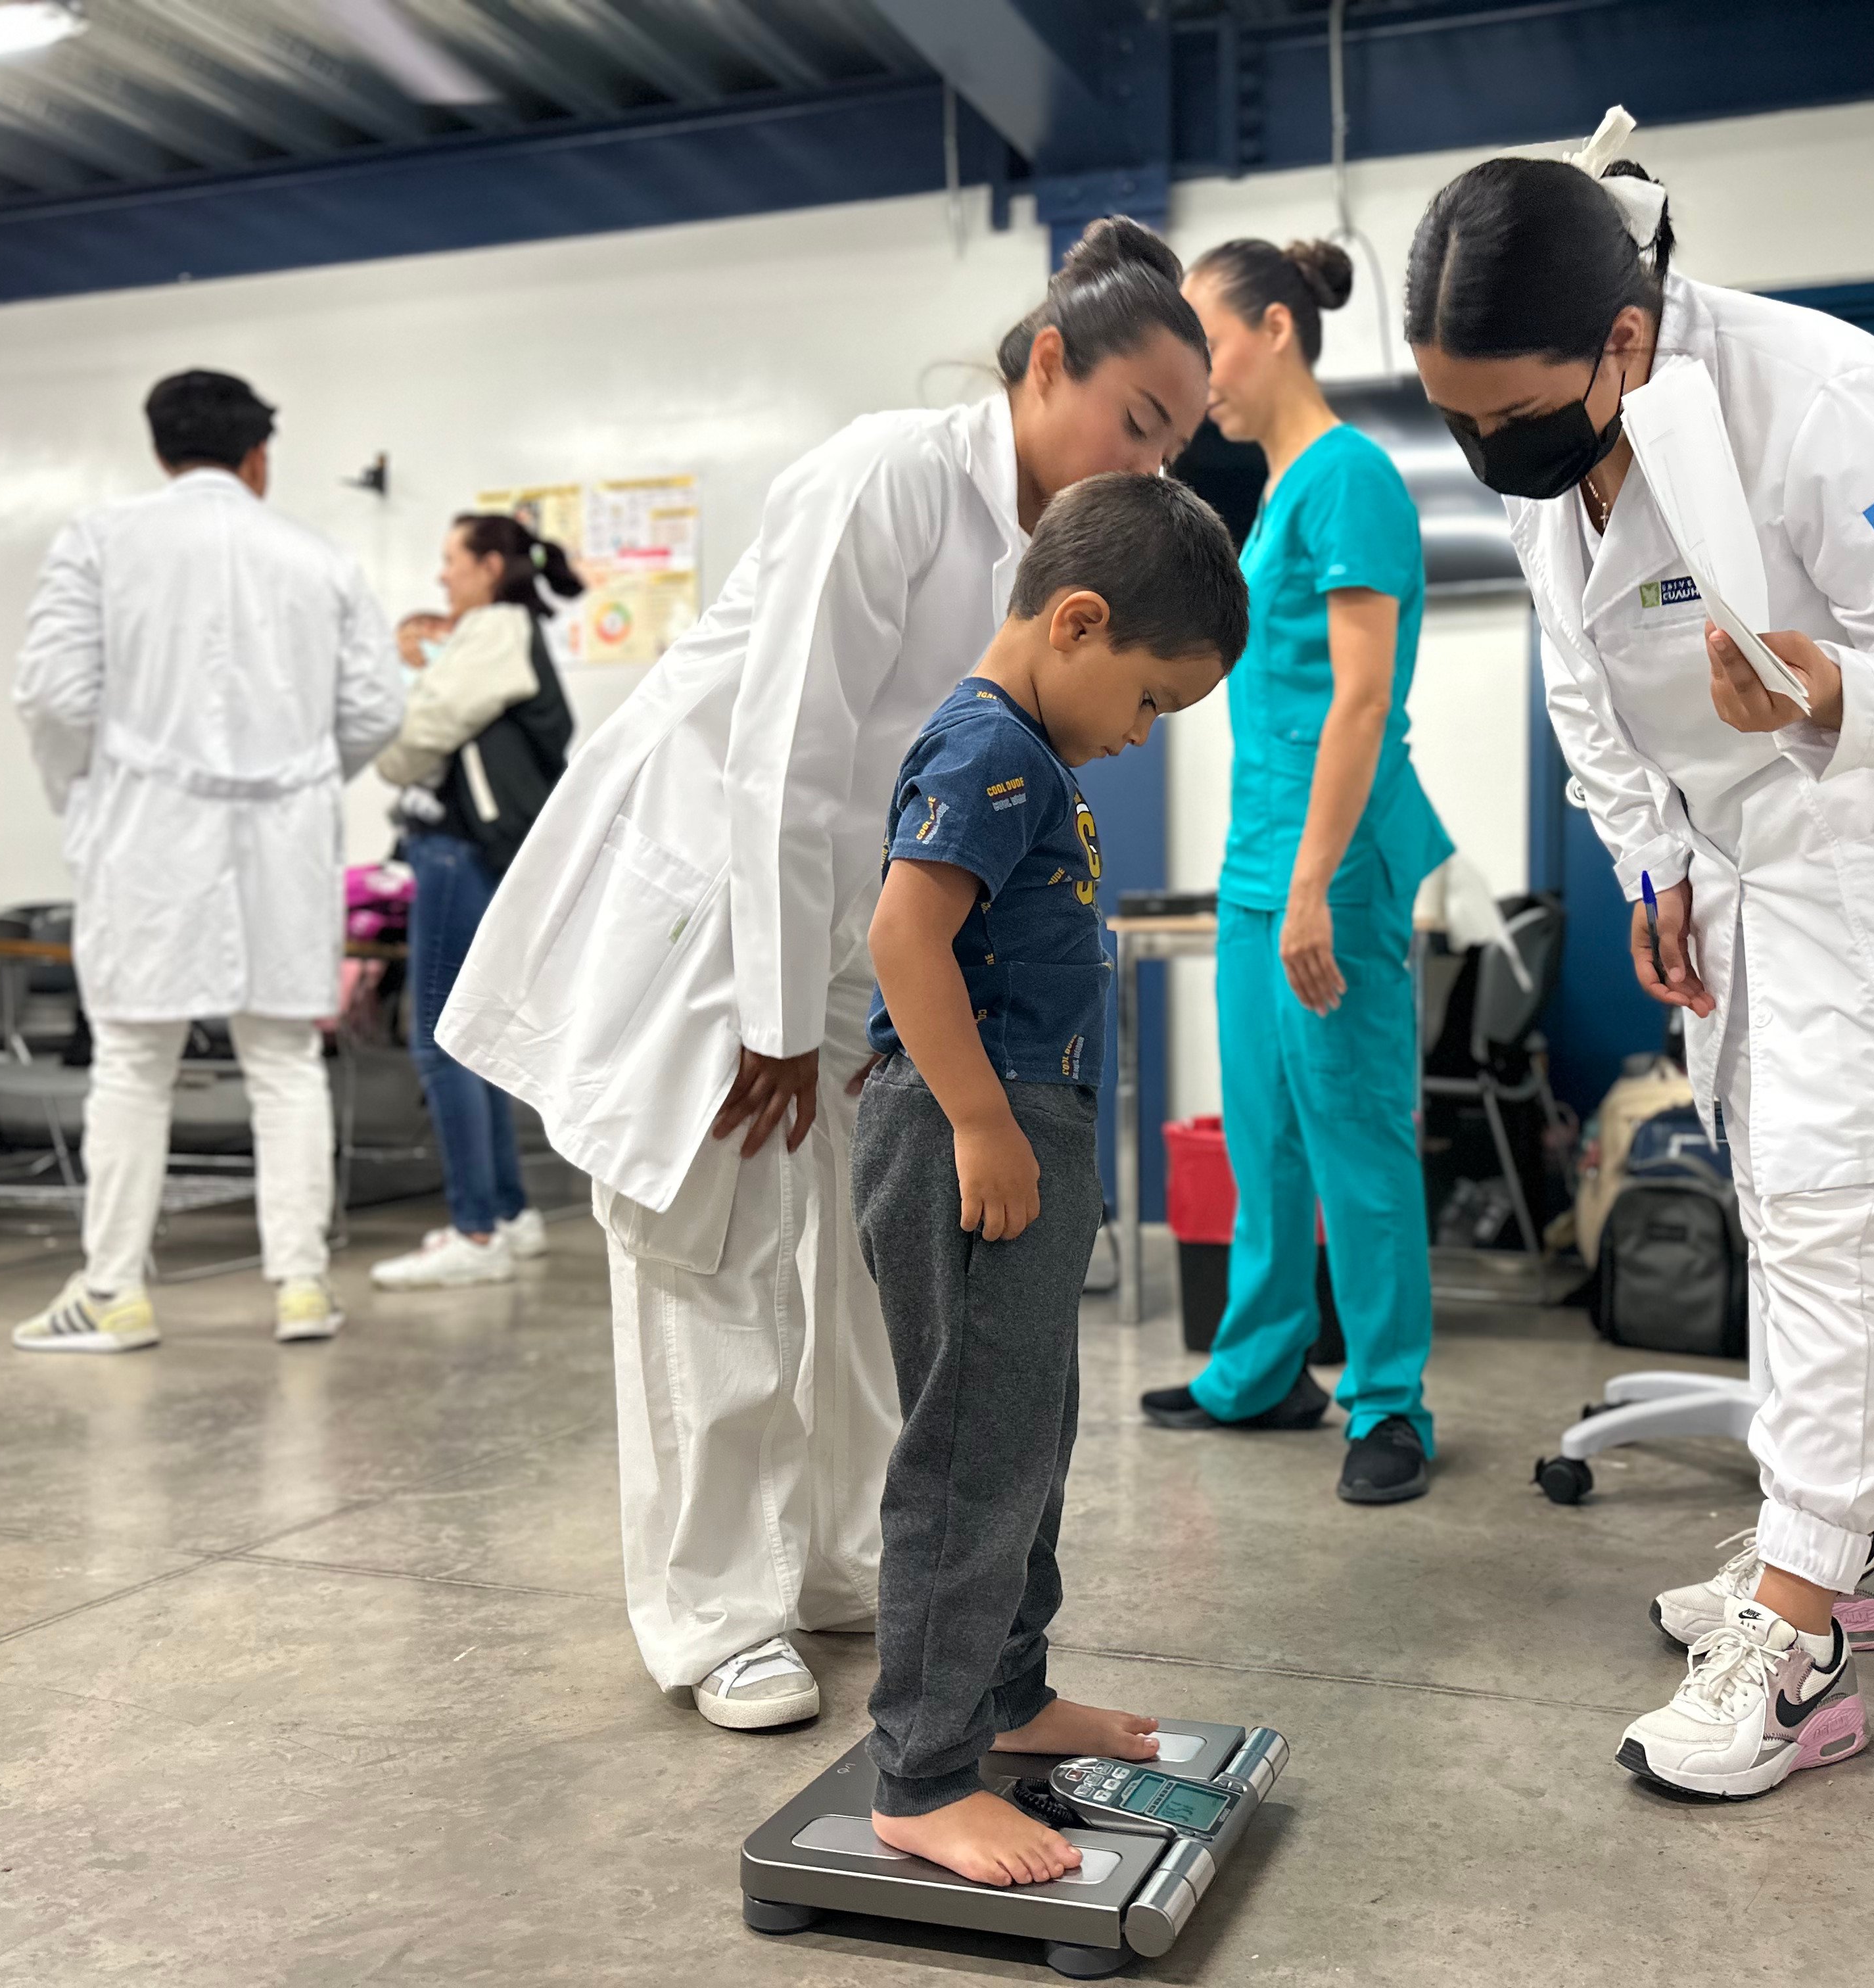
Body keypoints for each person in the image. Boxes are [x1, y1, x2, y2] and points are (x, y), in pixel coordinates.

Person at [436, 220, 1211, 1734]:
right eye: (1137, 420)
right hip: (717, 911)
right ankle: (716, 1611)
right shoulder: (891, 475)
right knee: (707, 1248)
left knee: (867, 1264)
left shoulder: (1060, 551)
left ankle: (846, 1559)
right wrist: (779, 1028)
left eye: (1177, 443)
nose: (1151, 462)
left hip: (848, 925)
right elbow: (786, 761)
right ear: (1047, 360)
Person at [1406, 111, 1874, 1801]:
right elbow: (1584, 683)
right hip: (1742, 875)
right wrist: (1645, 859)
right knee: (1781, 1196)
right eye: (1454, 417)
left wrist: (1828, 687)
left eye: (1502, 413)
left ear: (1622, 339)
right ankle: (1836, 1554)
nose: (1486, 449)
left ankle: (1799, 1645)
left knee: (1844, 1216)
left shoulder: (1821, 392)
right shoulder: (1571, 457)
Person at [858, 471, 1246, 1883]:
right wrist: (978, 1124)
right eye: (1150, 701)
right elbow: (907, 942)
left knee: (1027, 1438)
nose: (1145, 736)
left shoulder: (1032, 754)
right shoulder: (991, 753)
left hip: (1022, 1127)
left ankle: (1007, 1698)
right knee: (969, 1456)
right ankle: (922, 1772)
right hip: (974, 1131)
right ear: (1077, 624)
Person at [1138, 237, 1454, 1505]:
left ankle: (1390, 1400)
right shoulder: (1274, 498)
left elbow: (1364, 698)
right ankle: (1259, 1366)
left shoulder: (1352, 478)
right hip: (1258, 862)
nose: (1194, 376)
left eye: (1205, 343)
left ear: (1274, 328)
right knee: (1262, 1131)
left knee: (1355, 1135)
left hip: (1335, 864)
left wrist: (1317, 878)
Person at [11, 369, 402, 1354]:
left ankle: (114, 1293)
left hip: (147, 833)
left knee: (136, 1065)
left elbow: (54, 695)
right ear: (258, 456)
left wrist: (94, 790)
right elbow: (376, 711)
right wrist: (299, 777)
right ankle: (303, 1288)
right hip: (284, 839)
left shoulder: (100, 540)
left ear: (159, 449)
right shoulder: (320, 558)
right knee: (282, 1062)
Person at [369, 513, 580, 1290]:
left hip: (458, 852)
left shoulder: (494, 627)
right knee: (474, 1034)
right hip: (480, 853)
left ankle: (476, 1229)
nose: (441, 576)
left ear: (492, 566)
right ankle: (509, 1215)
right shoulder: (503, 628)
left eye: (450, 560)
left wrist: (393, 728)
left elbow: (413, 737)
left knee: (440, 1039)